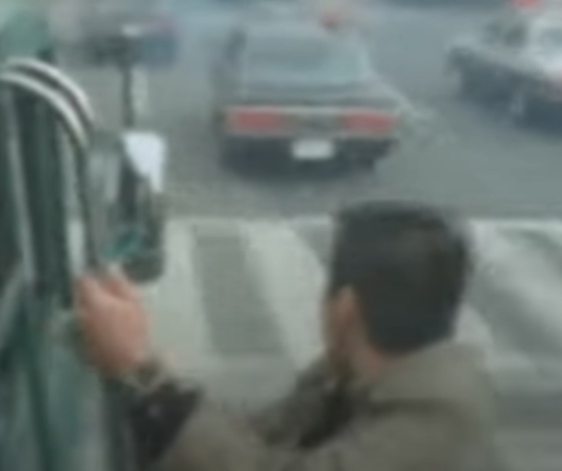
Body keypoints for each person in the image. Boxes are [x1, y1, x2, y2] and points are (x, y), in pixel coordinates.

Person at [75, 201, 493, 471]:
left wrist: (143, 373)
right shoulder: (341, 376)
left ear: (345, 309)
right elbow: (254, 437)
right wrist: (145, 366)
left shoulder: (438, 415)